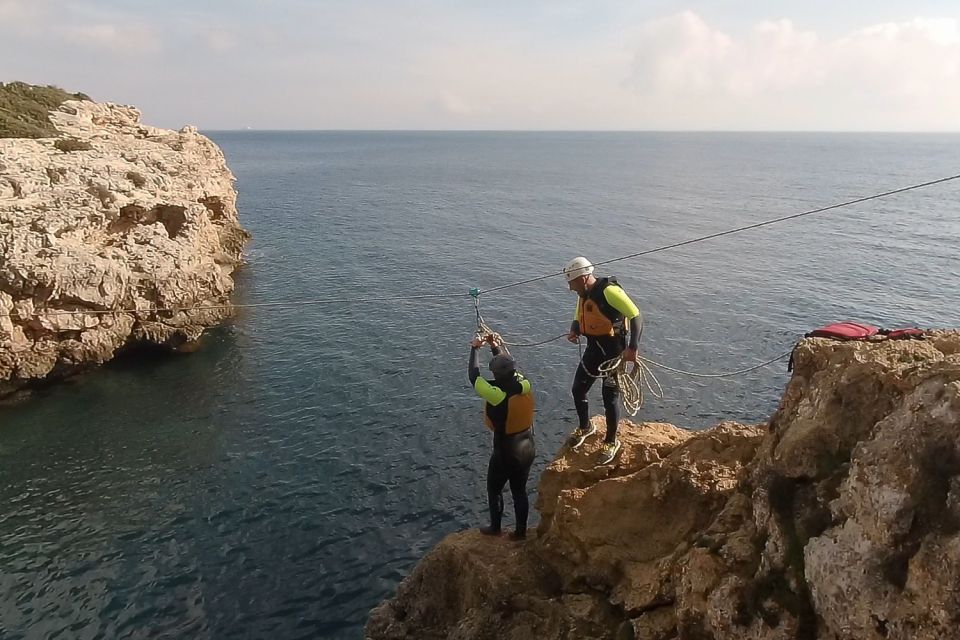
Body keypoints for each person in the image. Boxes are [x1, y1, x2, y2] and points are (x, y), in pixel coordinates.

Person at [563, 256, 642, 464]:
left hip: (613, 353)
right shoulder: (584, 293)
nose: (570, 288)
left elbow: (635, 315)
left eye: (571, 283)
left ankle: (610, 441)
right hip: (593, 349)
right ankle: (585, 427)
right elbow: (579, 313)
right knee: (578, 389)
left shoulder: (608, 291)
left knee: (610, 398)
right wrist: (574, 329)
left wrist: (632, 348)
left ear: (583, 278)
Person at [468, 335, 536, 540]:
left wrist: (475, 348)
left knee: (494, 488)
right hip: (527, 446)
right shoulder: (524, 384)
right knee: (519, 491)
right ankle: (520, 532)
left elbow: (474, 376)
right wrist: (495, 346)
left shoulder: (496, 394)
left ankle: (496, 528)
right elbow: (506, 368)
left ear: (497, 374)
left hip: (507, 450)